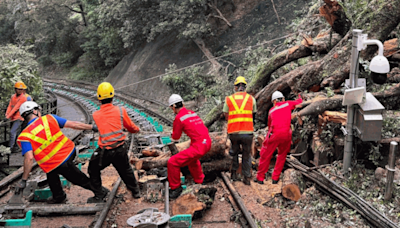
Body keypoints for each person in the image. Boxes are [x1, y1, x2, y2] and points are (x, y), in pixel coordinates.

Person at [16, 101, 100, 204]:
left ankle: (101, 192)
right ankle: (58, 196)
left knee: (76, 178)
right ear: (34, 111)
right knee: (51, 173)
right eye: (38, 110)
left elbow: (29, 158)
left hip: (57, 162)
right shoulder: (49, 118)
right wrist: (92, 127)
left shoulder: (24, 136)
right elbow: (74, 124)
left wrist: (24, 179)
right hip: (68, 153)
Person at [88, 82, 141, 203]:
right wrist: (137, 130)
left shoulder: (95, 115)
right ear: (113, 97)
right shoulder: (121, 111)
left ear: (99, 99)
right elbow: (131, 127)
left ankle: (99, 195)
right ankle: (136, 191)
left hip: (104, 152)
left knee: (93, 169)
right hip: (120, 149)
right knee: (126, 170)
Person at [167, 94, 211, 199]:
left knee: (172, 162)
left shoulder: (179, 118)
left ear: (173, 107)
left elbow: (176, 137)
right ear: (182, 103)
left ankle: (176, 188)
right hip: (207, 142)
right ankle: (199, 180)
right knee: (192, 160)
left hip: (199, 146)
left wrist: (171, 135)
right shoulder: (192, 113)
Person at [254, 91, 302, 184]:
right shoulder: (288, 104)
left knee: (265, 155)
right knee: (282, 155)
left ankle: (260, 178)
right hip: (286, 135)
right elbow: (299, 101)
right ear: (283, 98)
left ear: (274, 101)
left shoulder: (271, 110)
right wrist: (300, 95)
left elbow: (269, 125)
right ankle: (275, 178)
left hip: (274, 135)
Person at [223, 76, 256, 185]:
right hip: (247, 132)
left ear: (236, 87)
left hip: (234, 132)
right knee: (247, 154)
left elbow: (226, 115)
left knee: (234, 152)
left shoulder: (229, 99)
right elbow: (253, 113)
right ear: (245, 87)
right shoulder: (251, 99)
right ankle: (246, 177)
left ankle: (234, 174)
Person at [4, 81, 32, 152]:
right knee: (15, 132)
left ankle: (10, 148)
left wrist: (7, 117)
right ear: (15, 89)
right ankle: (16, 146)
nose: (20, 90)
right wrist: (7, 114)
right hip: (12, 117)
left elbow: (16, 108)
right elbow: (10, 106)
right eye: (18, 89)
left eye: (21, 89)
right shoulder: (13, 96)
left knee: (12, 132)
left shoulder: (23, 98)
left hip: (19, 118)